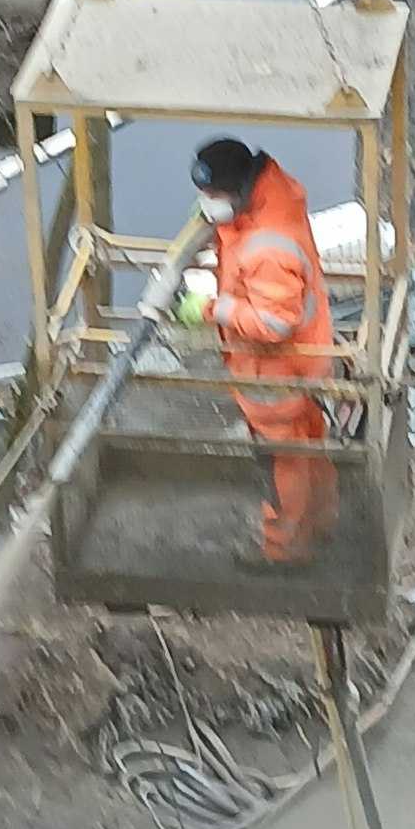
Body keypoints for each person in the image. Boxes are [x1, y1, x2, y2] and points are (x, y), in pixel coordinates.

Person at [174, 138, 339, 566]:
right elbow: (243, 237)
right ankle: (324, 521)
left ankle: (284, 551)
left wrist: (208, 309)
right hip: (308, 356)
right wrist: (217, 227)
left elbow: (273, 324)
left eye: (212, 196)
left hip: (276, 374)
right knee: (309, 443)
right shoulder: (270, 194)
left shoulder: (268, 247)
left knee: (281, 461)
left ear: (235, 190)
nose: (207, 203)